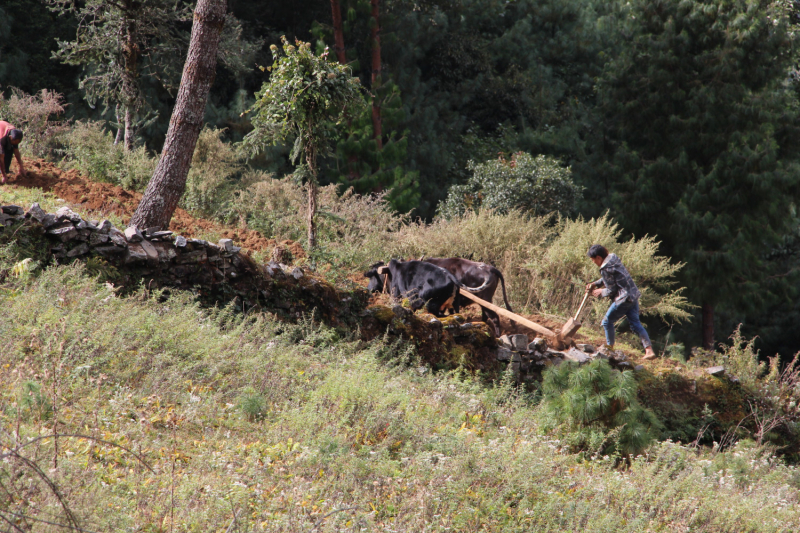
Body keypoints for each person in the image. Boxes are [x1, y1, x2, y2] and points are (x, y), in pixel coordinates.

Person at [585, 244, 657, 360]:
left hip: (623, 299)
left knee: (606, 322)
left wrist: (600, 291)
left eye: (593, 260)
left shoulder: (605, 268)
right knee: (636, 324)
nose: (593, 262)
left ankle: (610, 349)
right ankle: (649, 351)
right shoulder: (613, 258)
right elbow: (611, 278)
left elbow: (611, 289)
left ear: (598, 257)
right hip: (633, 295)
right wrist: (595, 284)